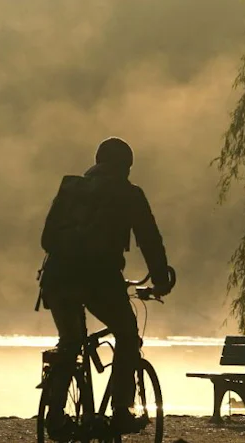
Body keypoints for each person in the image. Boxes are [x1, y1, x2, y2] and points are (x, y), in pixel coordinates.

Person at [37, 137, 174, 436]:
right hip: (100, 279)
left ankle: (56, 415)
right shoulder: (129, 194)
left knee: (71, 342)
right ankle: (122, 410)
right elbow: (150, 240)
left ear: (97, 161)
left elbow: (47, 239)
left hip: (57, 278)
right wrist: (161, 279)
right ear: (126, 167)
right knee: (126, 334)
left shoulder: (71, 189)